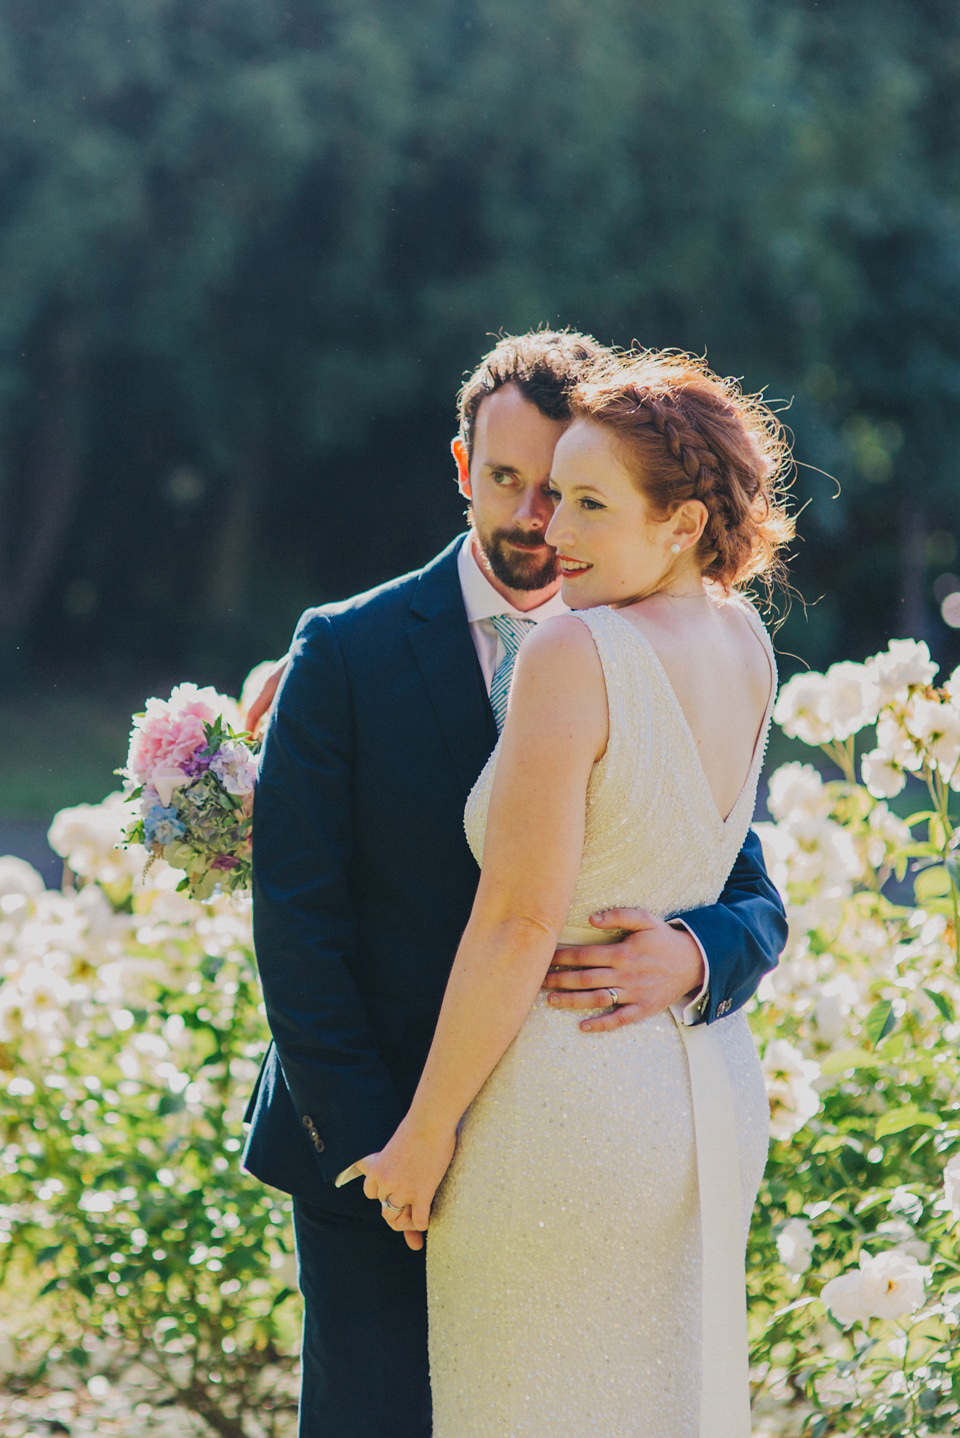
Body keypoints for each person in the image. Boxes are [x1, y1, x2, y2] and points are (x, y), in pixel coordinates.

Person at [243, 332, 788, 1438]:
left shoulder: (636, 636)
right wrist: (383, 1146)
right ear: (461, 468)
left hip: (566, 1131)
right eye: (508, 481)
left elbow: (740, 874)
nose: (540, 517)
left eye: (568, 490)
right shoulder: (341, 651)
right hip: (386, 1146)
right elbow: (297, 924)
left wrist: (697, 952)